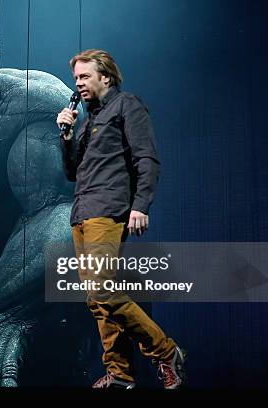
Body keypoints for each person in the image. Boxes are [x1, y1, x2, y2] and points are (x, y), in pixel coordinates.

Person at [56, 49, 186, 389]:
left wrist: (140, 205)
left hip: (108, 211)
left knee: (101, 290)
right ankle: (120, 373)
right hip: (81, 213)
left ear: (106, 77)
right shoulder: (86, 122)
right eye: (76, 79)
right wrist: (67, 137)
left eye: (85, 76)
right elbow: (72, 173)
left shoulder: (127, 105)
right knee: (96, 300)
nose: (79, 83)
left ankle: (165, 350)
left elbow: (147, 159)